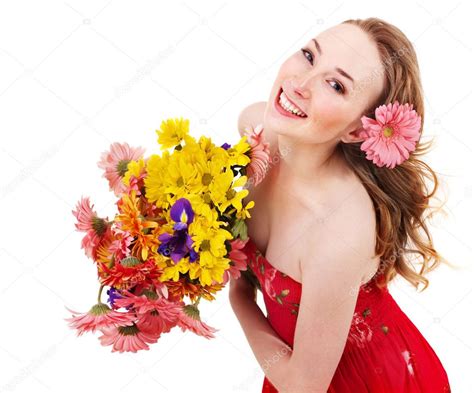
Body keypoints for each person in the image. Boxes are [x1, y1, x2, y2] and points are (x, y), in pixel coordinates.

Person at [228, 17, 452, 393]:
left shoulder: (339, 231)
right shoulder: (258, 133)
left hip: (364, 381)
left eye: (335, 85)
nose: (300, 84)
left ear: (355, 131)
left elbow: (304, 385)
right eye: (308, 55)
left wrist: (240, 299)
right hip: (290, 364)